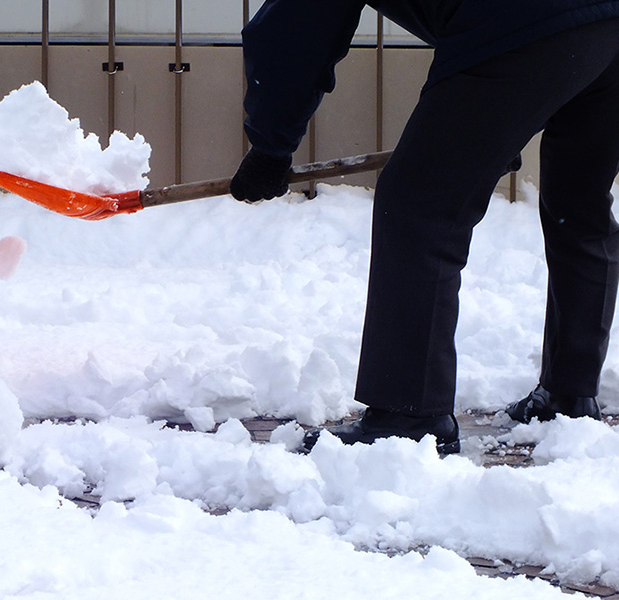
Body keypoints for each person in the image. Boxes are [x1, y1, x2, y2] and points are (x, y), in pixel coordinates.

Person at [230, 0, 619, 454]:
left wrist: (270, 146)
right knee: (581, 203)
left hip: (526, 19)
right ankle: (569, 395)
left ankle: (408, 415)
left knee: (419, 206)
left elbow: (293, 28)